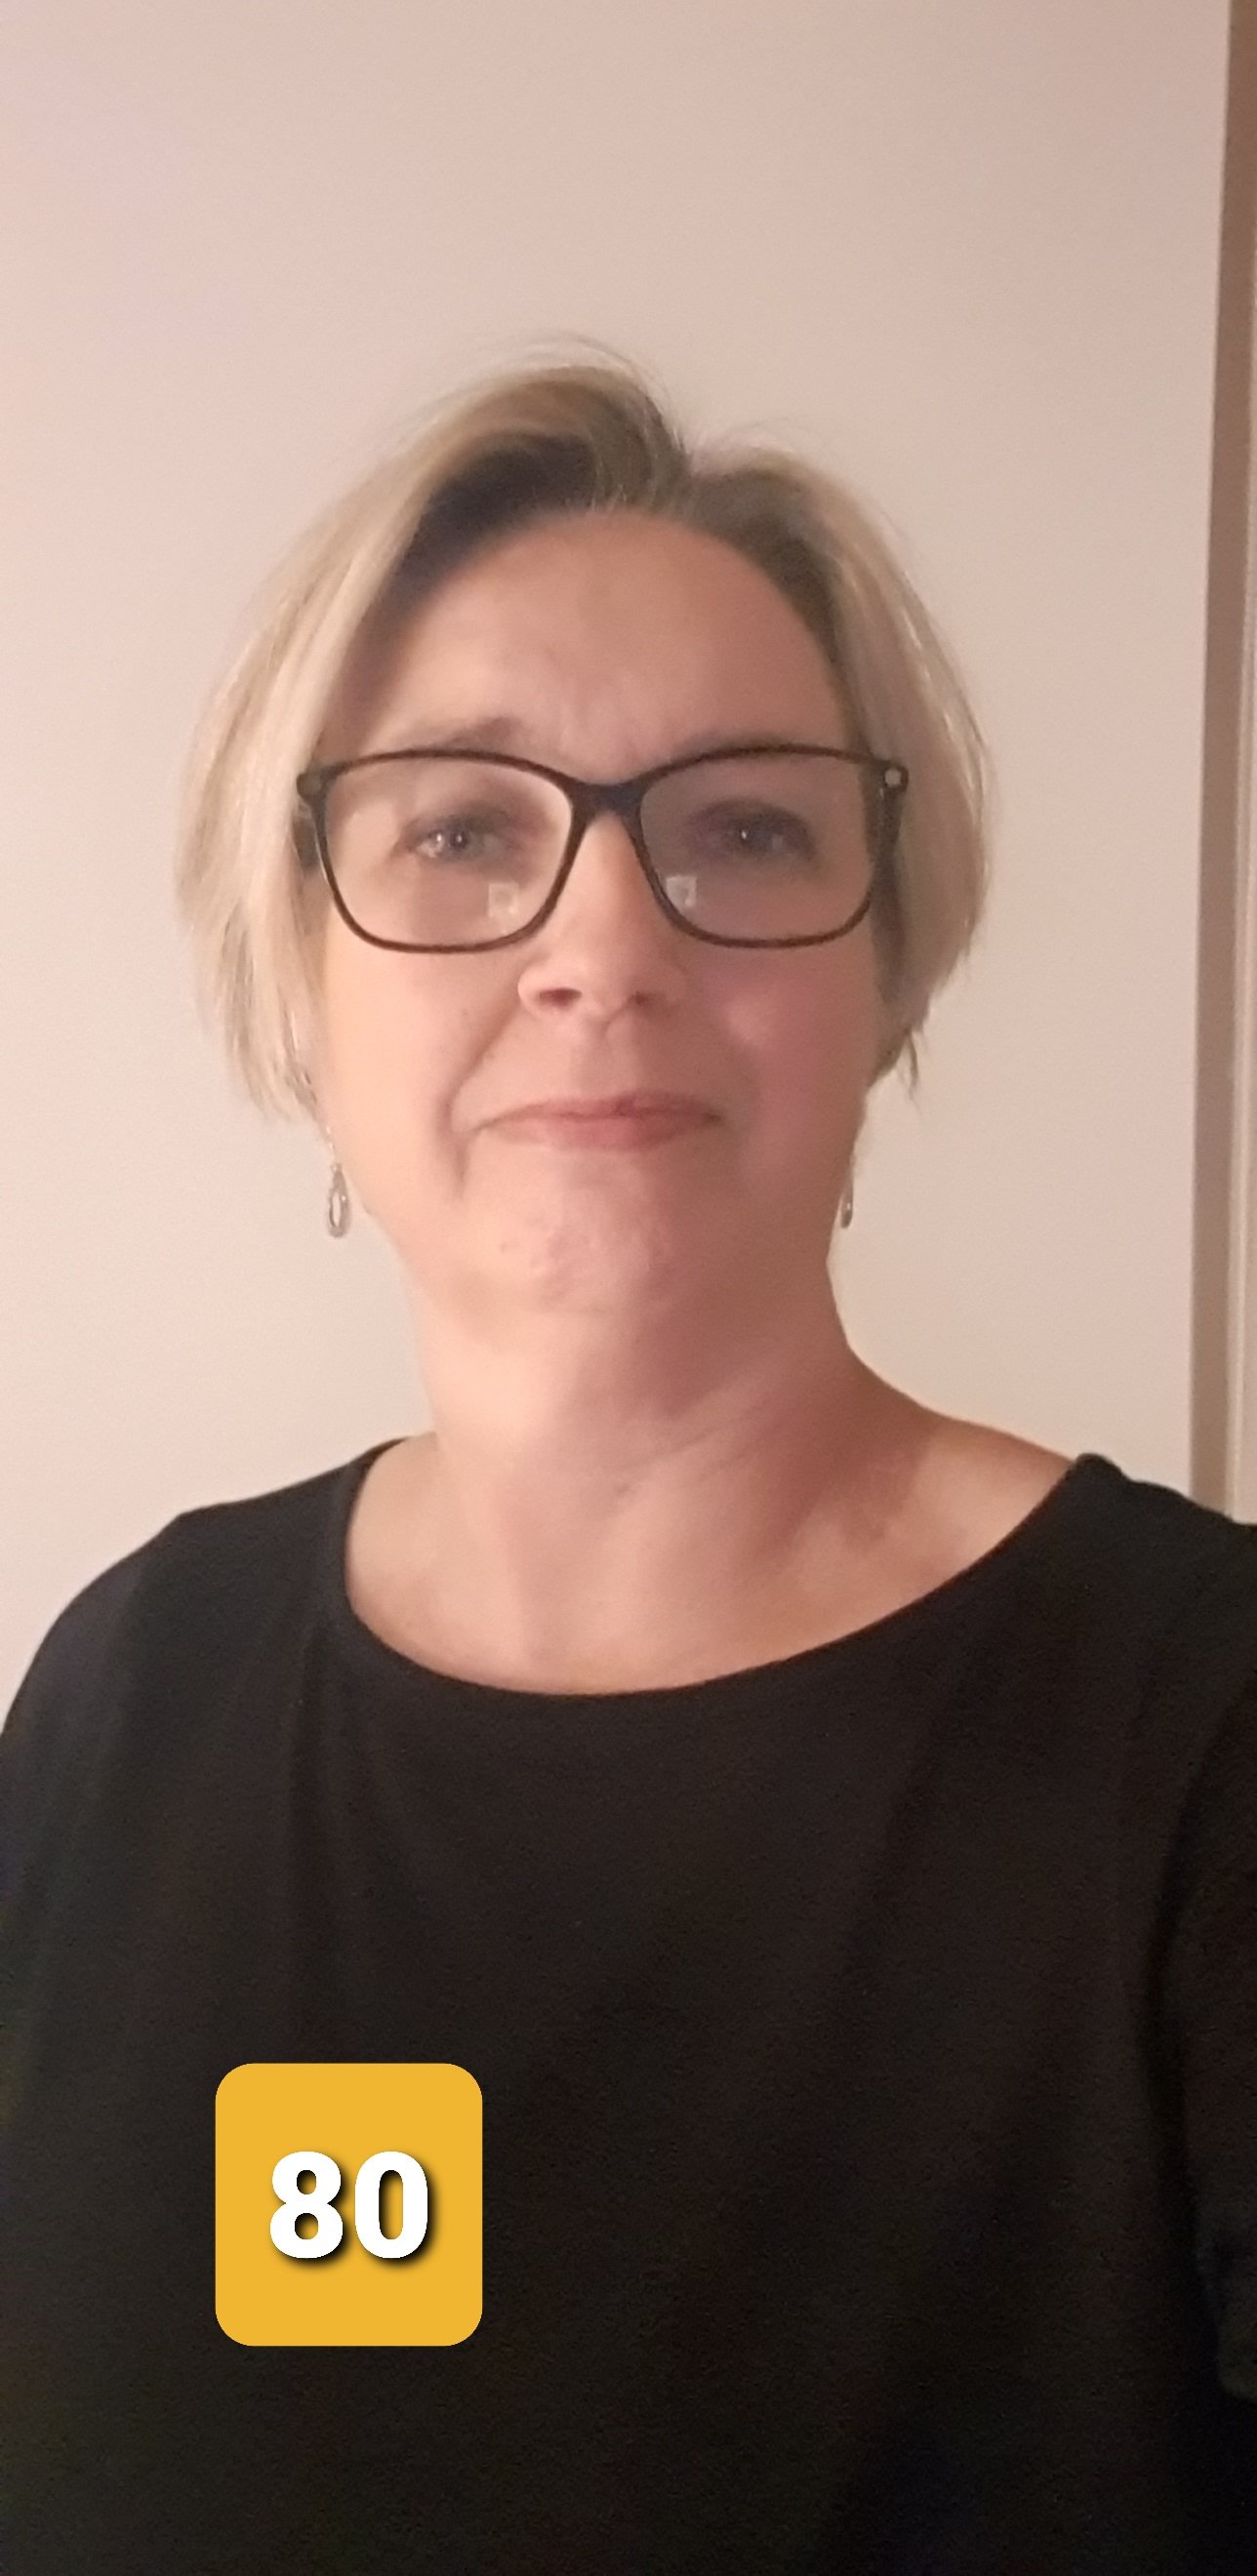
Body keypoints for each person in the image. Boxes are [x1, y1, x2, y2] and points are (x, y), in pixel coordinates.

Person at [2, 346, 1254, 2575]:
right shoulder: (127, 1688)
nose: (604, 946)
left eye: (744, 828)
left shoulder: (1211, 1736)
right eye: (461, 829)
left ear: (890, 976)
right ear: (299, 976)